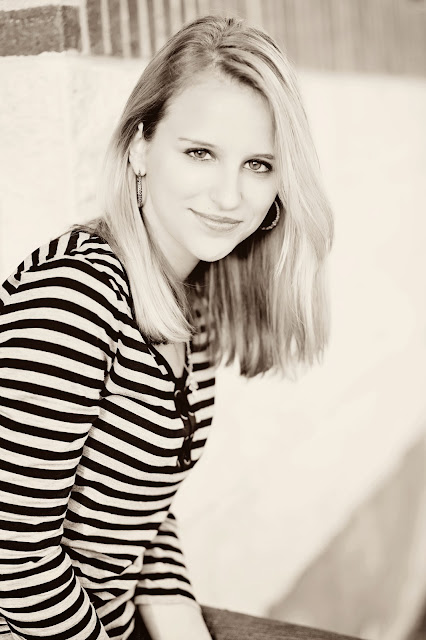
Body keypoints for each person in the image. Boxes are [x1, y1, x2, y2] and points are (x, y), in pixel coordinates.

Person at [0, 14, 333, 640]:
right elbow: (11, 556)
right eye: (200, 153)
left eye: (259, 164)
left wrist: (181, 623)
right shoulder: (73, 300)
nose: (230, 197)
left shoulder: (186, 302)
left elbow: (137, 509)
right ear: (139, 147)